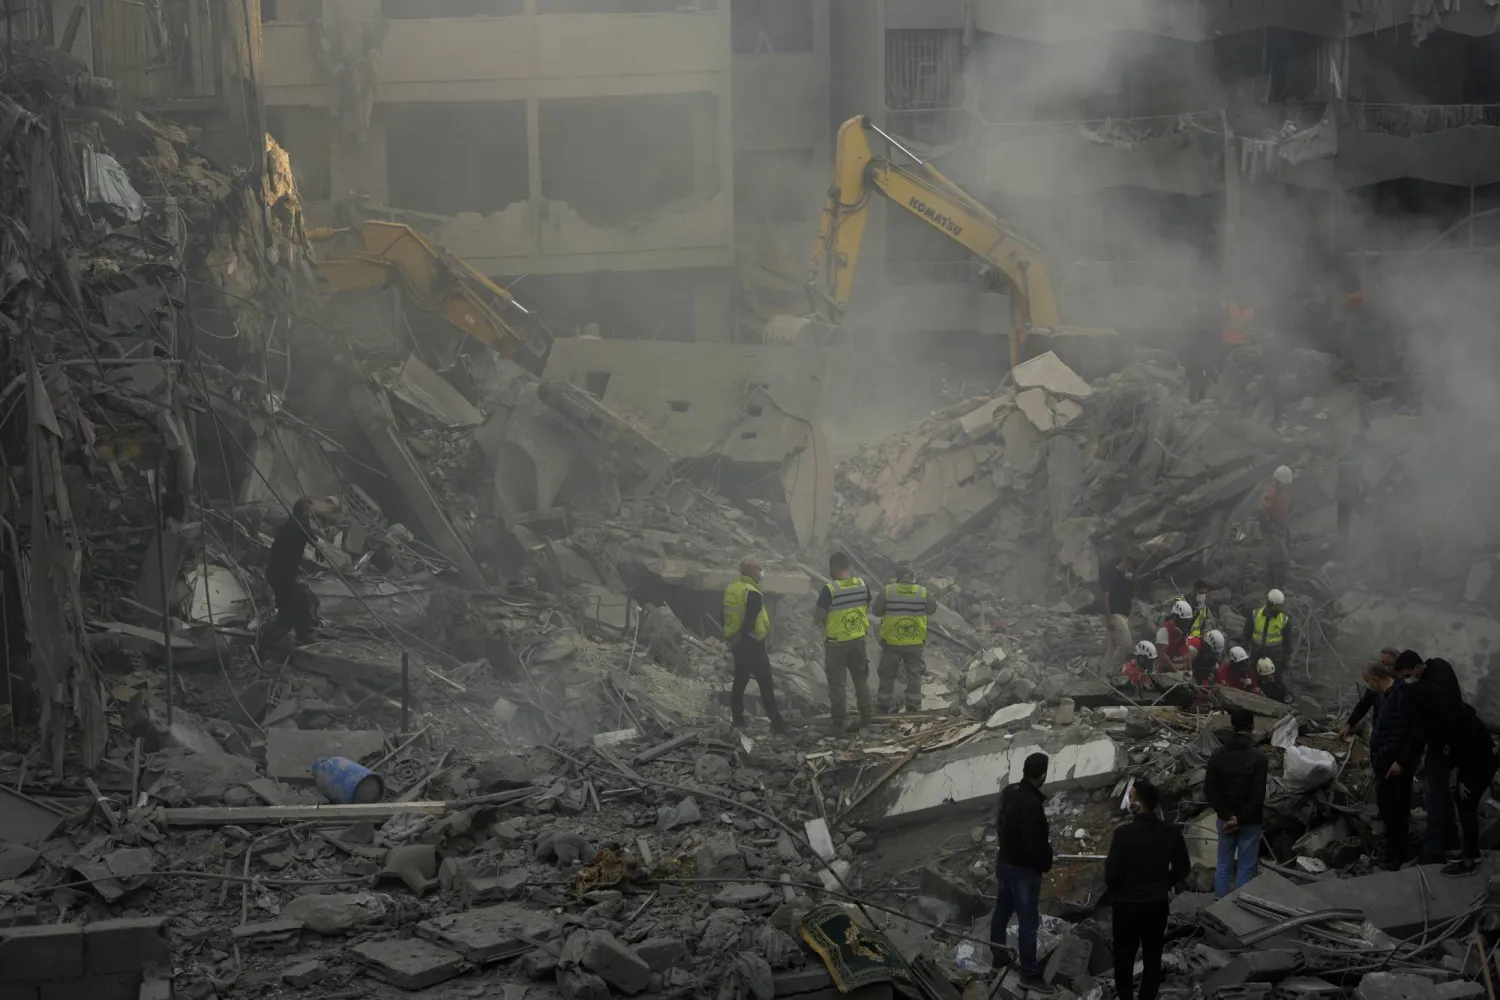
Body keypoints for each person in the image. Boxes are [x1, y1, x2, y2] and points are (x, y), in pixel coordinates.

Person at [1105, 778, 1190, 1000]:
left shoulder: (1123, 835)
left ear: (1138, 805)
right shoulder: (1171, 832)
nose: (1129, 802)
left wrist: (1118, 895)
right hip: (1156, 904)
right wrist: (1164, 882)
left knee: (1123, 959)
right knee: (1153, 958)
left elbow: (1111, 875)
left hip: (1126, 907)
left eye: (1131, 798)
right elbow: (1183, 868)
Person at [991, 752, 1055, 994]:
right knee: (1028, 924)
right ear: (1042, 775)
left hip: (1005, 863)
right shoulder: (1032, 805)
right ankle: (1029, 974)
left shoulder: (1010, 791)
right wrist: (1045, 862)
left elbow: (1000, 822)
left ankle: (998, 958)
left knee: (1002, 913)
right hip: (1023, 872)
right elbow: (1033, 845)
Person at [1405, 652, 1463, 865]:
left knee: (1435, 795)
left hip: (1445, 744)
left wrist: (1409, 757)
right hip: (1447, 741)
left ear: (1417, 666)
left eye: (1408, 673)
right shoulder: (1440, 667)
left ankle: (1434, 850)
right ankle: (1451, 838)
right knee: (1440, 793)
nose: (1407, 678)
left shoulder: (1425, 688)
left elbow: (1423, 728)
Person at [1205, 708, 1267, 897]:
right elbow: (1258, 796)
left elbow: (1210, 791)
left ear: (1231, 727)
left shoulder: (1217, 755)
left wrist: (1228, 817)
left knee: (1223, 864)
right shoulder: (1258, 757)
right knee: (1246, 867)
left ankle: (1219, 906)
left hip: (1225, 821)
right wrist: (1239, 820)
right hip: (1250, 821)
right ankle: (1239, 912)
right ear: (1251, 728)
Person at [722, 557, 786, 734]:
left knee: (740, 679)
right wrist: (743, 635)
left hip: (737, 643)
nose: (761, 572)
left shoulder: (732, 589)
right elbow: (750, 618)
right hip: (752, 642)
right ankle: (776, 722)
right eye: (759, 569)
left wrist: (731, 637)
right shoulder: (752, 592)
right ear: (751, 571)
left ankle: (738, 719)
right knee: (765, 681)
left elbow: (725, 615)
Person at [813, 552, 873, 735]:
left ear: (833, 568)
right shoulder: (863, 585)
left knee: (837, 684)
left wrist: (818, 622)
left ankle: (838, 723)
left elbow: (818, 617)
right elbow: (865, 606)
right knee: (861, 680)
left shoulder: (829, 589)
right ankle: (866, 718)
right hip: (857, 641)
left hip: (836, 644)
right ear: (848, 567)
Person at [1367, 660, 1418, 869]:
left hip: (1394, 767)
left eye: (1368, 681)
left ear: (1375, 680)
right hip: (1384, 763)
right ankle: (1392, 851)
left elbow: (1406, 733)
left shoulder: (1400, 696)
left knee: (1396, 811)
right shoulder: (1385, 697)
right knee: (1388, 810)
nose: (1368, 685)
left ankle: (1397, 856)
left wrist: (1400, 761)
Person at [871, 563, 937, 714]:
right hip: (914, 643)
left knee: (887, 674)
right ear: (913, 578)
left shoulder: (888, 591)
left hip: (891, 643)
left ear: (897, 578)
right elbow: (932, 609)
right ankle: (913, 706)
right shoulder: (922, 592)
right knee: (914, 674)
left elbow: (876, 612)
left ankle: (883, 705)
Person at [1444, 694, 1498, 877]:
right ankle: (1471, 852)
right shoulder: (1461, 710)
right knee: (1465, 804)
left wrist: (1462, 780)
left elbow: (1466, 752)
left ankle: (1468, 864)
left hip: (1478, 767)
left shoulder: (1456, 721)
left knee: (1466, 807)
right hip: (1483, 762)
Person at [259, 498, 323, 649]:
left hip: (279, 573)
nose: (309, 514)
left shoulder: (289, 526)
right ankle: (274, 643)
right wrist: (318, 545)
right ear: (300, 511)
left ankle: (268, 642)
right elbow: (306, 532)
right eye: (307, 510)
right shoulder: (296, 526)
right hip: (282, 575)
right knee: (298, 605)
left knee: (289, 609)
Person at [1242, 589, 1295, 701]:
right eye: (1277, 608)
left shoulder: (1285, 619)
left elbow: (1288, 642)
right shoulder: (1255, 615)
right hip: (1256, 654)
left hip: (1275, 657)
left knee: (1275, 681)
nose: (1278, 611)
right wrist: (1246, 649)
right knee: (1254, 680)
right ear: (1269, 604)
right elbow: (1246, 634)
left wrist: (1287, 659)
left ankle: (1279, 702)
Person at [1339, 648, 1401, 740]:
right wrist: (1350, 723)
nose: (1382, 667)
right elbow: (1364, 704)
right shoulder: (1375, 687)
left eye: (1385, 664)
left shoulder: (1403, 690)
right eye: (1381, 662)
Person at [1099, 555, 1136, 670]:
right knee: (1126, 644)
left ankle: (1104, 671)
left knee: (1113, 646)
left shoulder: (1126, 579)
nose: (1130, 571)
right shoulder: (1111, 575)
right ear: (1125, 562)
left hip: (1123, 616)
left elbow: (1130, 595)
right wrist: (1109, 618)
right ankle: (1114, 672)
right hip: (1114, 615)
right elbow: (1105, 596)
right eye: (1130, 568)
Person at [1259, 467, 1293, 590]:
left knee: (1274, 559)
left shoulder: (1283, 491)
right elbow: (1262, 511)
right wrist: (1270, 529)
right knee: (1281, 559)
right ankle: (1278, 588)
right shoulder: (1271, 492)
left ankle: (1270, 587)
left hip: (1281, 527)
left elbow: (1283, 511)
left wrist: (1286, 530)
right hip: (1272, 529)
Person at [1155, 600, 1200, 674]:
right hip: (1168, 673)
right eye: (1184, 621)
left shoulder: (1182, 630)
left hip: (1183, 670)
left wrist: (1190, 669)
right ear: (1176, 617)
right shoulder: (1164, 630)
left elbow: (1187, 649)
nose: (1186, 624)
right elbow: (1162, 656)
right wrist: (1176, 673)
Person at [1336, 434, 1365, 541]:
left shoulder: (1351, 456)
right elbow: (1341, 466)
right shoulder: (1348, 457)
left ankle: (1347, 538)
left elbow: (1360, 476)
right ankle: (1344, 540)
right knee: (1345, 516)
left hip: (1348, 492)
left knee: (1345, 517)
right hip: (1347, 493)